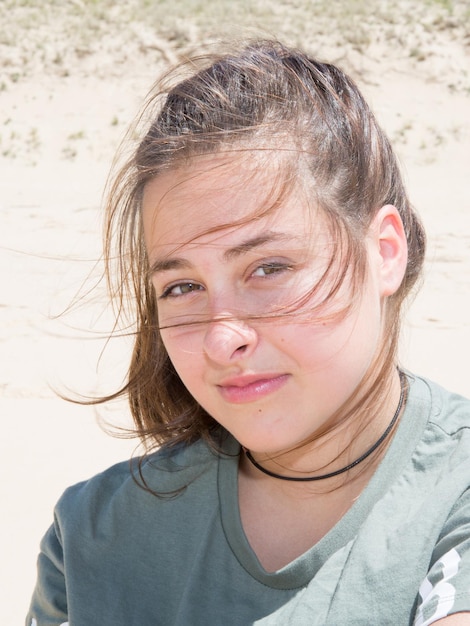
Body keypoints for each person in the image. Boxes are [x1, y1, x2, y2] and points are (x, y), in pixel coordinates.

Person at [26, 40, 470, 626]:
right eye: (182, 287)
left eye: (269, 269)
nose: (220, 339)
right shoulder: (91, 536)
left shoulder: (450, 495)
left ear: (384, 252)